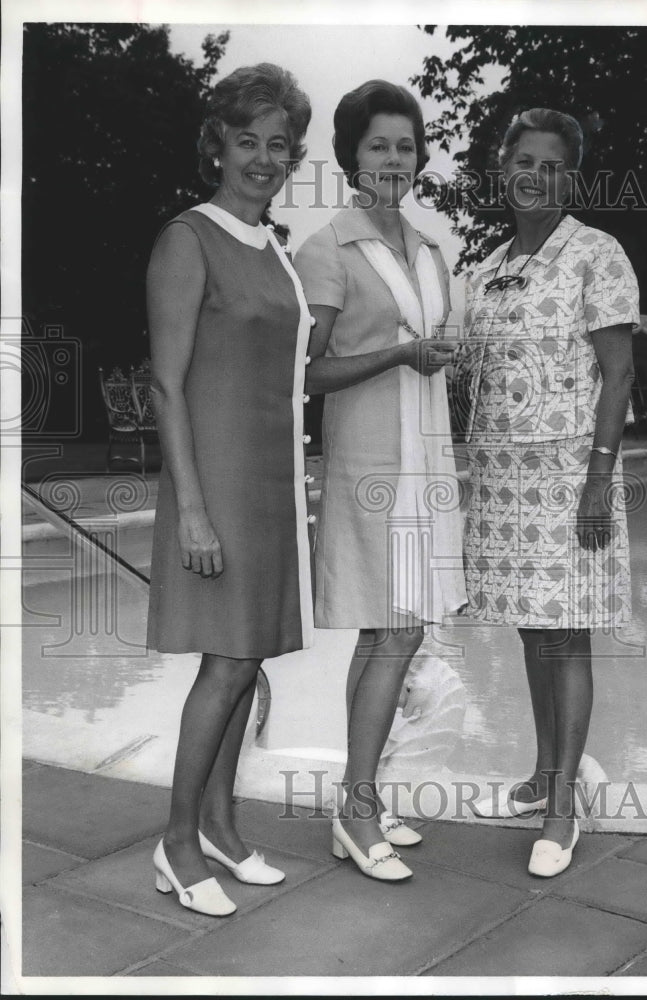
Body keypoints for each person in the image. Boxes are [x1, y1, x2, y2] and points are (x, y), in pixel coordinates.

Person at [146, 63, 313, 915]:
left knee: (246, 660)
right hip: (214, 485)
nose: (262, 158)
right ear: (218, 145)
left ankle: (218, 824)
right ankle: (176, 843)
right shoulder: (188, 238)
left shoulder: (274, 248)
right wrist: (193, 512)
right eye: (247, 140)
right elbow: (166, 384)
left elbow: (291, 375)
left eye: (279, 145)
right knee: (228, 661)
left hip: (271, 485)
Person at [294, 80, 466, 882]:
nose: (394, 159)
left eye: (405, 145)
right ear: (350, 157)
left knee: (397, 634)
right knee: (391, 633)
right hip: (371, 470)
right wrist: (398, 353)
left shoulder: (430, 250)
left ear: (419, 156)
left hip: (427, 464)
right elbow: (306, 374)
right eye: (378, 146)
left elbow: (440, 345)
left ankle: (361, 798)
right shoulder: (327, 248)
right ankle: (357, 812)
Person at [462, 109, 638, 877]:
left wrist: (598, 477)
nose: (536, 175)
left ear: (571, 178)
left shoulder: (597, 254)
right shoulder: (489, 266)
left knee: (566, 635)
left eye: (553, 165)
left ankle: (564, 810)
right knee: (533, 631)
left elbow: (618, 375)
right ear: (504, 167)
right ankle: (542, 774)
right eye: (524, 160)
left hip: (571, 477)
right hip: (504, 484)